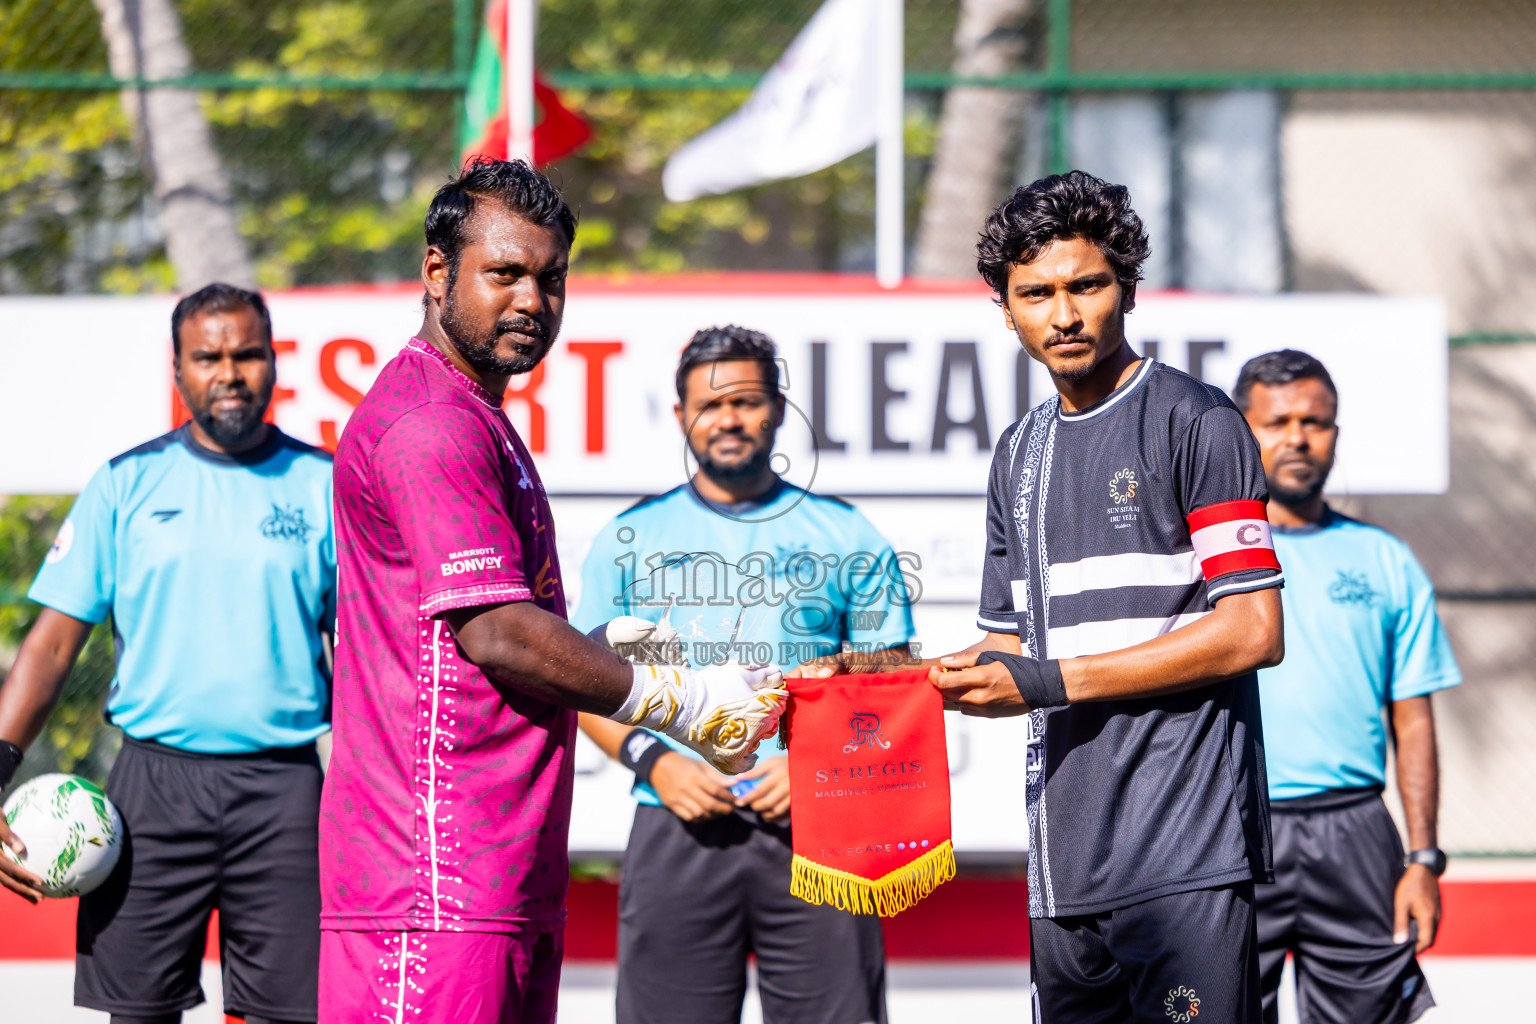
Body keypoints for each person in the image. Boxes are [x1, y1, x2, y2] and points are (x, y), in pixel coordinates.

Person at [318, 159, 785, 1024]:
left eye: (551, 278)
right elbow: (495, 630)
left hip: (497, 871)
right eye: (504, 273)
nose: (532, 300)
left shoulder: (478, 411)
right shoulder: (434, 421)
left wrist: (608, 648)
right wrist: (674, 699)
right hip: (433, 881)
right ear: (435, 271)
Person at [810, 171, 1285, 1022]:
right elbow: (1006, 653)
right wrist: (882, 676)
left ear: (1128, 288)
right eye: (1035, 293)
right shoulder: (1016, 453)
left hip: (1186, 855)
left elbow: (1252, 631)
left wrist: (1049, 681)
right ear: (1006, 309)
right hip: (1063, 867)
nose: (1062, 314)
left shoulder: (1198, 421)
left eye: (1085, 285)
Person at [0, 284, 336, 1024]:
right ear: (178, 367)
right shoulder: (126, 484)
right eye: (208, 356)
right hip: (150, 790)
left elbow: (374, 652)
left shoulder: (325, 486)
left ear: (272, 362)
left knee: (299, 1014)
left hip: (283, 794)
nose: (229, 373)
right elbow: (54, 644)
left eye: (246, 354)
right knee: (140, 1014)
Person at [573, 325, 915, 1024]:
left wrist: (817, 763)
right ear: (680, 417)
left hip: (823, 829)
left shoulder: (845, 535)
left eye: (748, 401)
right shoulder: (630, 538)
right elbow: (586, 684)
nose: (728, 418)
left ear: (779, 409)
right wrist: (656, 764)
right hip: (675, 822)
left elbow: (896, 672)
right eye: (709, 404)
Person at [1235, 349, 1459, 1024]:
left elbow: (1413, 721)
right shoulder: (1200, 561)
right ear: (1242, 432)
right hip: (1236, 828)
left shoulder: (1385, 560)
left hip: (1357, 832)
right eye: (1276, 423)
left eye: (1316, 422)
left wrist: (1423, 859)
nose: (1298, 438)